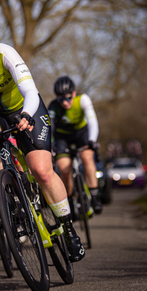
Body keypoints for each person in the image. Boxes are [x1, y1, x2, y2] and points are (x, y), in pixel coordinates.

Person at [0, 16, 85, 263]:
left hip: (25, 109)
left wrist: (25, 114)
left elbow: (30, 91)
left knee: (41, 171)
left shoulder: (5, 54)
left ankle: (68, 227)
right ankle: (6, 197)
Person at [48, 76, 103, 216]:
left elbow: (92, 121)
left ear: (74, 93)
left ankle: (94, 196)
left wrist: (92, 140)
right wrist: (52, 144)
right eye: (61, 99)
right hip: (62, 137)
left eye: (67, 98)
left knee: (87, 158)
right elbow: (51, 127)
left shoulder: (83, 99)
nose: (65, 103)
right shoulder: (53, 106)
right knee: (64, 169)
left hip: (81, 134)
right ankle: (70, 200)